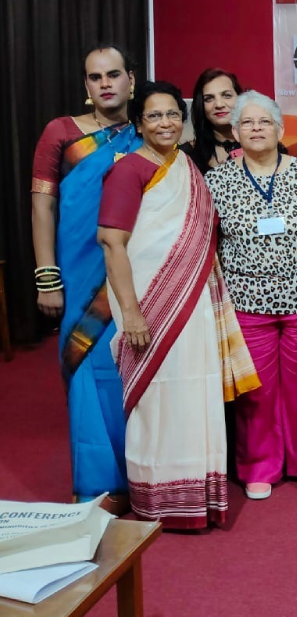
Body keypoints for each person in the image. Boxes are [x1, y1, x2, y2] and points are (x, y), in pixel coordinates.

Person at [97, 80, 259, 529]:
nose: (166, 123)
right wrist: (130, 311)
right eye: (154, 115)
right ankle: (158, 500)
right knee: (157, 400)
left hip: (195, 305)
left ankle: (196, 494)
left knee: (194, 391)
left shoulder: (186, 167)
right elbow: (112, 243)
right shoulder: (129, 170)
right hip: (150, 307)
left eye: (173, 114)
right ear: (137, 123)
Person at [31, 43, 144, 510]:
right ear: (86, 87)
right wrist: (46, 276)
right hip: (78, 274)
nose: (105, 84)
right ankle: (98, 485)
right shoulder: (60, 133)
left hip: (133, 271)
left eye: (113, 75)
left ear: (131, 81)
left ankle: (140, 477)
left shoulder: (149, 132)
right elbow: (43, 204)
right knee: (86, 371)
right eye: (95, 77)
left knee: (128, 367)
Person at [205, 91, 297, 501]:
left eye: (265, 122)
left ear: (280, 130)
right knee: (255, 392)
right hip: (246, 302)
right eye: (248, 122)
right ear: (236, 131)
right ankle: (258, 465)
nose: (256, 128)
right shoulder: (217, 181)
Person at [181, 68, 244, 174]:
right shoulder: (185, 155)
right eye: (209, 99)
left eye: (227, 95)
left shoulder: (265, 148)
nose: (219, 104)